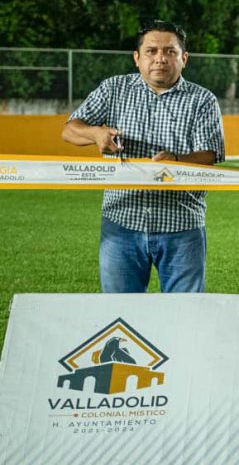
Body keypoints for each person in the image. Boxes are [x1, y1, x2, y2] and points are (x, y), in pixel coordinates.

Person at [61, 20, 225, 293]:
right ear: (137, 58)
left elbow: (210, 154)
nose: (160, 58)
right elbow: (70, 130)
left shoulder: (202, 99)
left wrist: (177, 161)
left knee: (185, 315)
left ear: (184, 58)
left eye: (170, 51)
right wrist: (96, 134)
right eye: (151, 51)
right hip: (121, 221)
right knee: (121, 315)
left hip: (181, 222)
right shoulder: (114, 89)